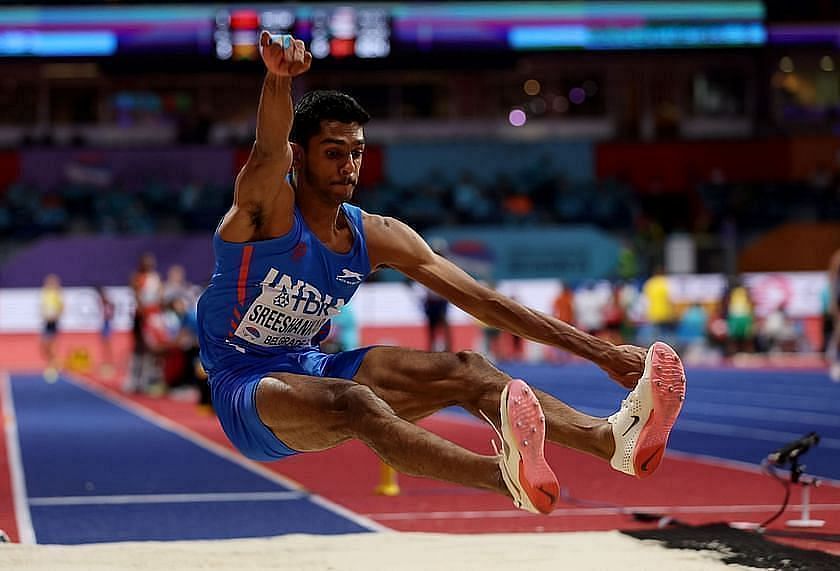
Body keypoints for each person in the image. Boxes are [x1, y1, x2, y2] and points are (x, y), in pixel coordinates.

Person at [195, 33, 687, 515]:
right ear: (299, 157)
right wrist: (278, 80)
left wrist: (603, 353)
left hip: (309, 365)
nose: (348, 166)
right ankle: (502, 475)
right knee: (356, 404)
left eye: (357, 153)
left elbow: (485, 302)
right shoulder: (267, 216)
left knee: (468, 371)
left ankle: (610, 440)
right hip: (245, 386)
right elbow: (266, 152)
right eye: (333, 152)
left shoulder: (377, 235)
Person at [40, 273, 64, 382]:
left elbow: (61, 307)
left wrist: (55, 317)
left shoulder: (57, 294)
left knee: (52, 345)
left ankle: (52, 366)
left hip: (53, 322)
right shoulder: (45, 293)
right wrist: (45, 316)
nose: (49, 283)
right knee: (44, 345)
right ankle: (54, 363)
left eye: (51, 281)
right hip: (46, 322)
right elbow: (44, 308)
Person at [827, 248, 840, 381]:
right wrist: (832, 301)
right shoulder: (838, 256)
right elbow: (831, 277)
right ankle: (835, 359)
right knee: (839, 329)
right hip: (838, 297)